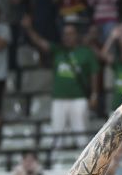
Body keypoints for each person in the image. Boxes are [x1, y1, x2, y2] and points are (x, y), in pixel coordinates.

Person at [21, 18, 100, 149]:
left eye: (70, 34)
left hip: (79, 98)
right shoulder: (58, 50)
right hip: (59, 99)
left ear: (76, 36)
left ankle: (85, 167)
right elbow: (40, 43)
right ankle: (57, 162)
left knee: (81, 136)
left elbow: (94, 74)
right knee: (57, 136)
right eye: (65, 34)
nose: (67, 37)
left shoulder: (86, 52)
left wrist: (94, 95)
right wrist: (29, 29)